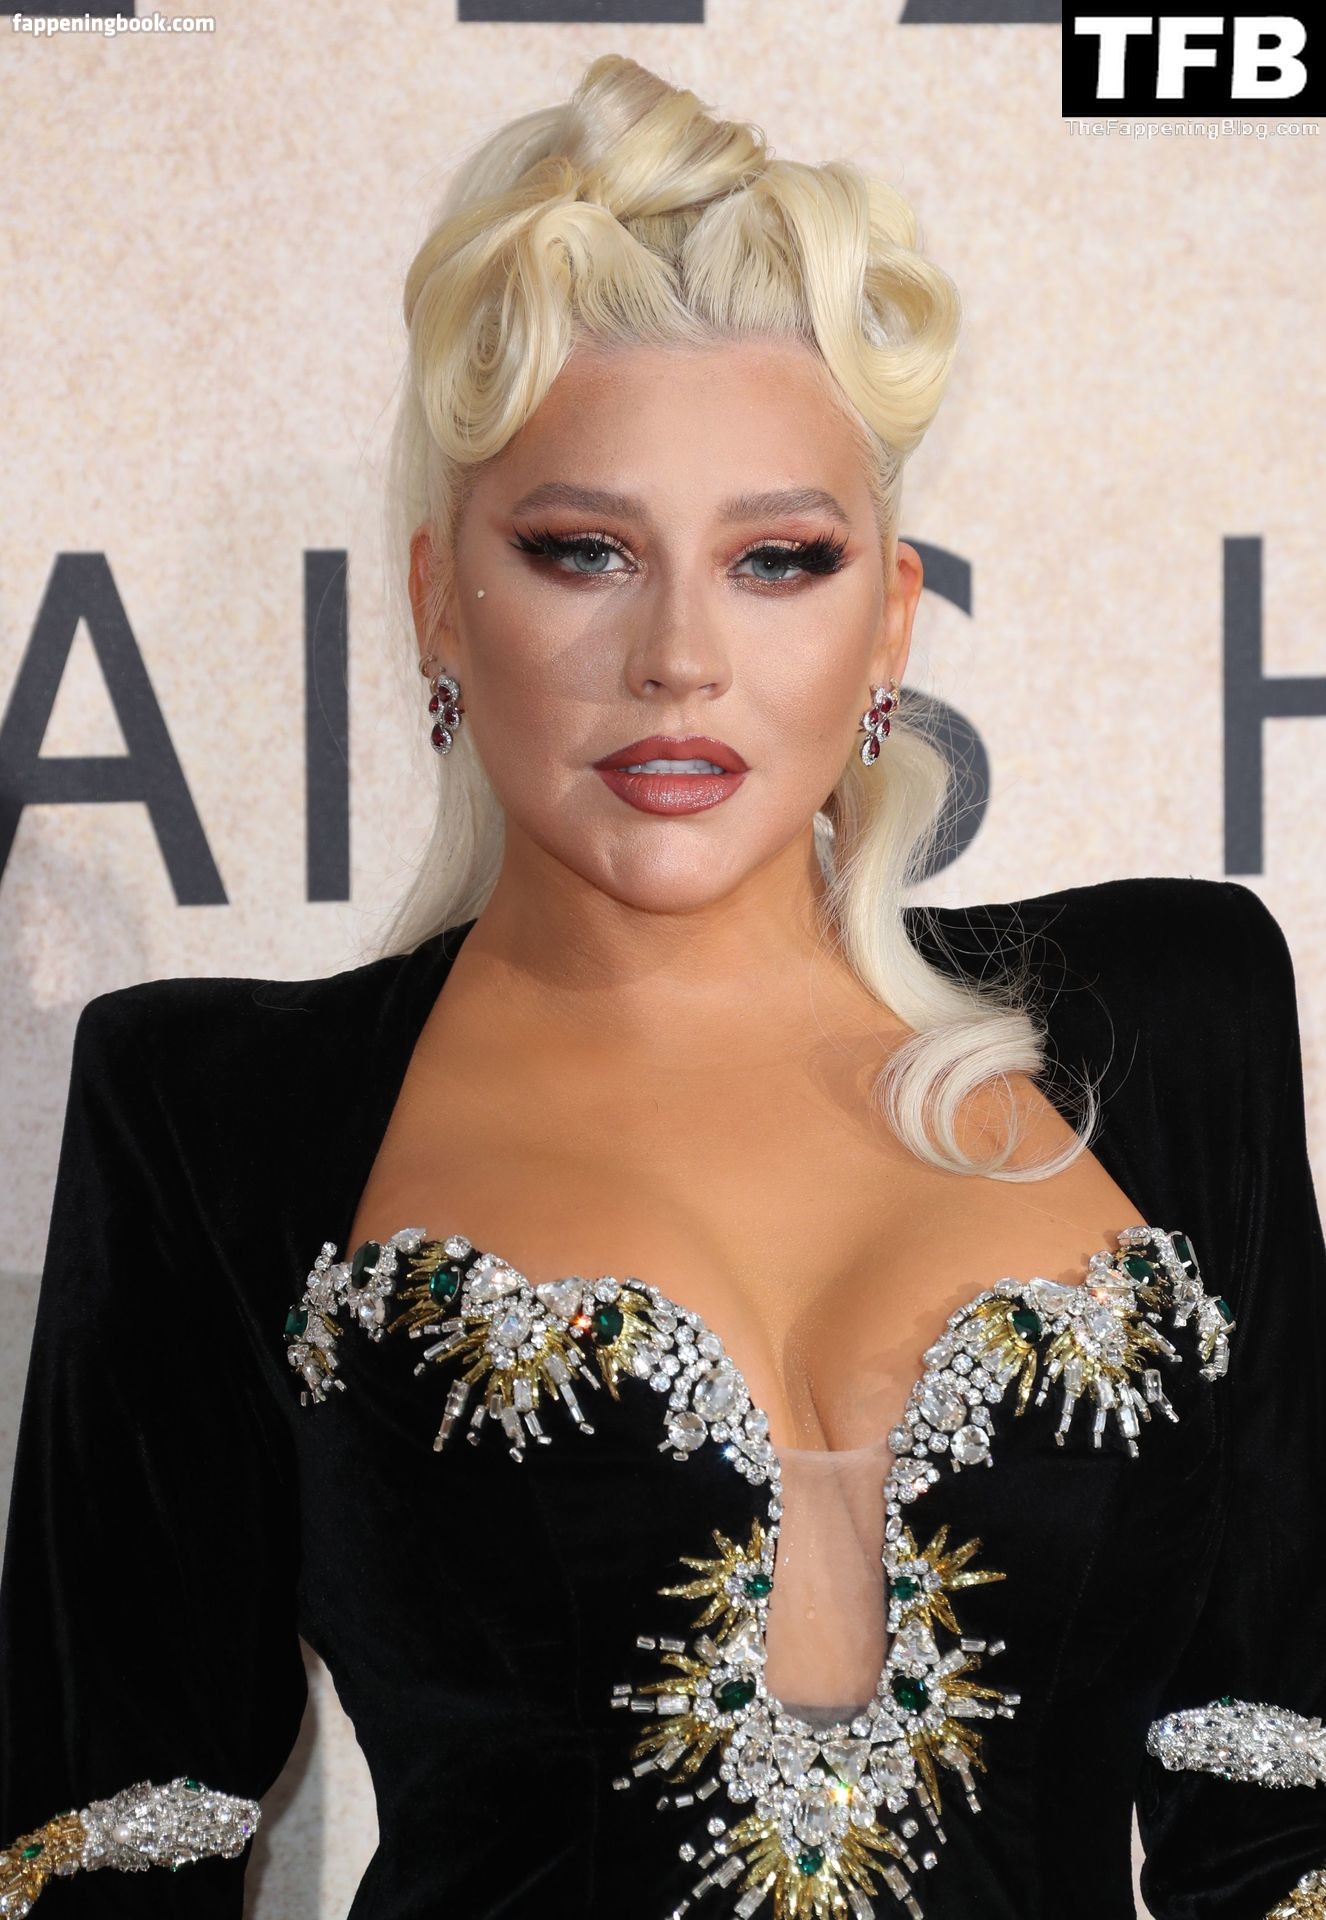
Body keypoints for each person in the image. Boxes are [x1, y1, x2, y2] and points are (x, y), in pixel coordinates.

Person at [1, 48, 1323, 1920]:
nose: (679, 654)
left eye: (777, 558)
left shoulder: (1162, 1027)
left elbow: (1281, 1798)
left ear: (887, 616)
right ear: (436, 599)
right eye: (581, 552)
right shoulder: (219, 1117)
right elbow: (109, 1847)